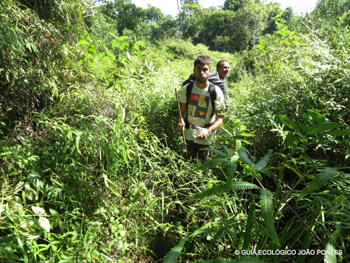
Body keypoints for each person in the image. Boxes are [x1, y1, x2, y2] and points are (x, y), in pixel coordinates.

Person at [177, 55, 225, 160]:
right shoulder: (187, 89)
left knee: (204, 167)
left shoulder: (216, 91)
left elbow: (221, 117)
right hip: (189, 135)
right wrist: (181, 122)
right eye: (199, 69)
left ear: (210, 71)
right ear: (194, 70)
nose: (201, 73)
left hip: (207, 137)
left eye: (205, 70)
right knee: (188, 164)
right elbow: (181, 112)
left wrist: (209, 130)